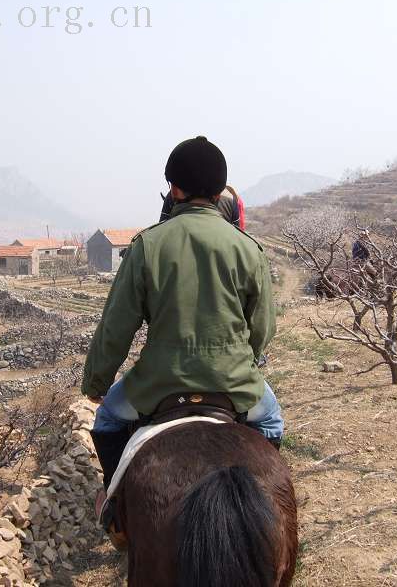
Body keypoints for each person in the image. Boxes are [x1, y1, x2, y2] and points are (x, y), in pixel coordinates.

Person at [81, 136, 285, 507]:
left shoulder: (147, 245)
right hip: (234, 383)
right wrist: (245, 361)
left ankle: (113, 507)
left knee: (108, 420)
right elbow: (263, 327)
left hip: (158, 383)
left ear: (174, 189)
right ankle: (268, 505)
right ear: (221, 189)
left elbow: (117, 327)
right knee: (271, 421)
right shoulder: (248, 248)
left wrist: (98, 382)